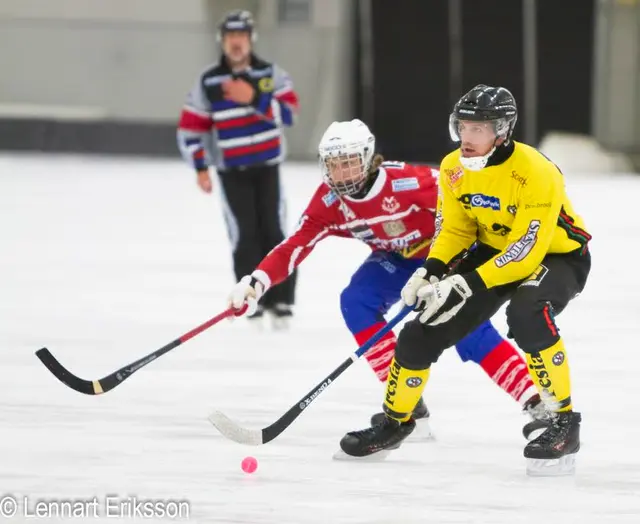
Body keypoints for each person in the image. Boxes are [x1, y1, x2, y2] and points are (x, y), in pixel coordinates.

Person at [228, 118, 551, 440]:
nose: (341, 174)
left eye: (350, 163)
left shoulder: (412, 183)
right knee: (356, 301)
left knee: (465, 326)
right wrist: (257, 281)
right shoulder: (329, 202)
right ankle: (406, 407)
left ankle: (537, 404)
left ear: (369, 158)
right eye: (333, 165)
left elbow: (472, 209)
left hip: (447, 256)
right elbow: (295, 245)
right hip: (397, 259)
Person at [338, 86, 592, 475]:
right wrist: (431, 270)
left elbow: (526, 249)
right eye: (463, 127)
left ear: (503, 130)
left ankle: (563, 422)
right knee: (421, 330)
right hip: (493, 251)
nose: (467, 138)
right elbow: (455, 231)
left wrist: (463, 284)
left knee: (528, 314)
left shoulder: (537, 171)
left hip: (554, 255)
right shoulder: (454, 168)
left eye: (479, 129)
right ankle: (397, 419)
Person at [177, 9, 299, 329]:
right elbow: (192, 127)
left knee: (274, 232)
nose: (236, 43)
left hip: (267, 167)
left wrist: (256, 98)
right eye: (230, 37)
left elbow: (289, 114)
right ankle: (250, 303)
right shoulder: (209, 81)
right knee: (245, 236)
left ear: (250, 40)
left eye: (241, 36)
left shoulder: (270, 74)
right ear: (223, 41)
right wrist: (200, 166)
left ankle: (282, 301)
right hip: (232, 170)